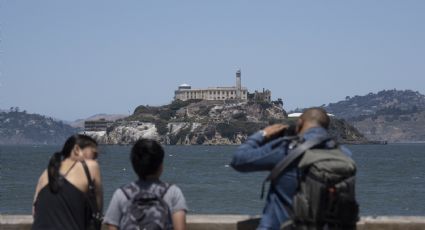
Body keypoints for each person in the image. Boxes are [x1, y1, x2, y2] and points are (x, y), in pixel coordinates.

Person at [231, 108, 353, 230]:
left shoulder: (287, 148)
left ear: (299, 123)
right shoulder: (343, 154)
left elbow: (239, 160)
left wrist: (262, 135)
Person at [104, 138, 188, 230]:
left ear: (134, 165)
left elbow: (112, 226)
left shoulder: (121, 194)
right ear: (161, 166)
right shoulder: (173, 192)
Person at [32, 134, 103, 230]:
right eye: (94, 154)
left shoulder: (44, 175)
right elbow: (98, 210)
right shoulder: (91, 166)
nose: (96, 159)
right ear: (77, 149)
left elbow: (35, 212)